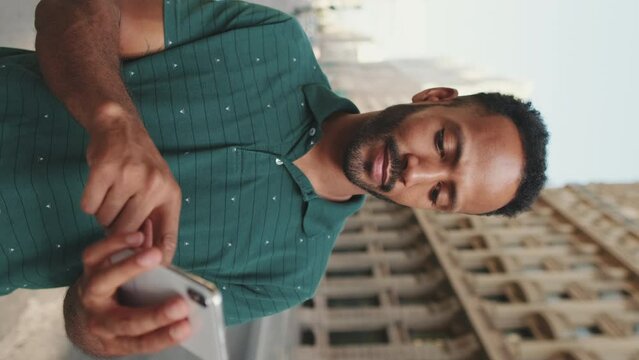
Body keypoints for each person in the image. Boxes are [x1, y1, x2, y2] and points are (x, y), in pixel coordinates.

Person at [0, 0, 549, 356]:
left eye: (441, 193)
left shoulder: (288, 278)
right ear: (434, 99)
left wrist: (92, 325)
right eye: (443, 144)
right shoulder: (272, 41)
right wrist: (111, 117)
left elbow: (92, 316)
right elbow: (75, 9)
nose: (420, 171)